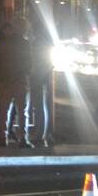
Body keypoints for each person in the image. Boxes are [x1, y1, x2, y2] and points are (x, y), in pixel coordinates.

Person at [0, 18, 33, 148]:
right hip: (20, 80)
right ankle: (23, 139)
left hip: (5, 79)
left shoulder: (3, 43)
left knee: (4, 110)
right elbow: (29, 63)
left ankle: (2, 137)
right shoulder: (25, 43)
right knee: (23, 111)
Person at [28, 17, 54, 147]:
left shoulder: (37, 43)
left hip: (37, 77)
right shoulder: (46, 43)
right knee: (41, 107)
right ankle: (42, 134)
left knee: (38, 107)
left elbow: (36, 61)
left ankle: (39, 134)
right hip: (43, 77)